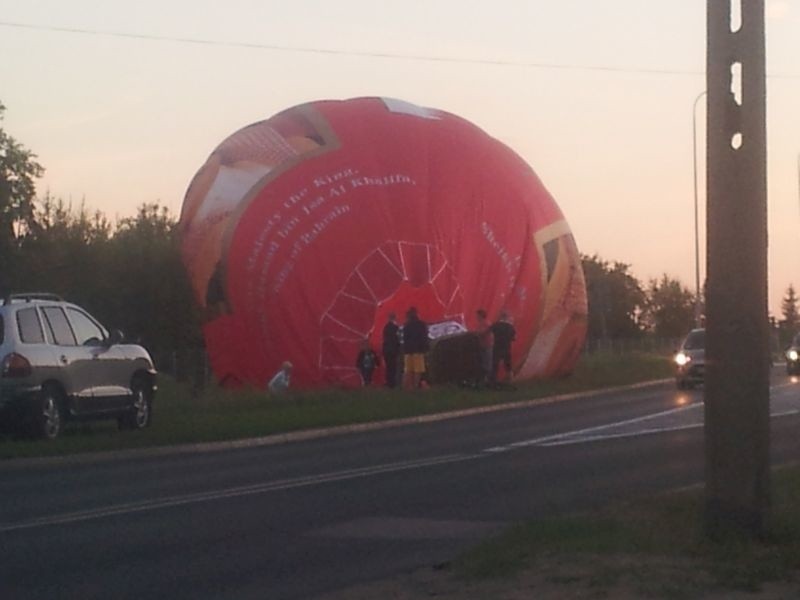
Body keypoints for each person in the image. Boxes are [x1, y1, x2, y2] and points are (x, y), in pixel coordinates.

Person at [402, 307, 429, 390]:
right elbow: (424, 337)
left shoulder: (406, 325)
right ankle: (415, 386)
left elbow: (405, 339)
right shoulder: (421, 324)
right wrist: (425, 348)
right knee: (418, 370)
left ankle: (408, 387)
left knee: (408, 370)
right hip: (418, 350)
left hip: (408, 351)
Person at [490, 310, 516, 385]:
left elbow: (489, 334)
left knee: (495, 364)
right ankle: (510, 381)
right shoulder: (510, 327)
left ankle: (493, 380)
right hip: (507, 348)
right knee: (508, 365)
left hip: (496, 347)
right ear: (506, 317)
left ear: (500, 317)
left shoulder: (495, 325)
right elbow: (514, 338)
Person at [475, 309, 494, 388]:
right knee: (483, 363)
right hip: (482, 346)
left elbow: (484, 332)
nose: (476, 317)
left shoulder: (486, 323)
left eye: (477, 315)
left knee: (487, 363)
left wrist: (478, 333)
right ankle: (484, 381)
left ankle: (488, 381)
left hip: (487, 346)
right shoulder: (481, 324)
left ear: (481, 316)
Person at [381, 312, 400, 388]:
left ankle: (388, 382)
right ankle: (392, 383)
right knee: (393, 367)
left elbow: (384, 339)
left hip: (386, 350)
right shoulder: (396, 328)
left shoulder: (385, 327)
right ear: (394, 318)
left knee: (388, 367)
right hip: (393, 350)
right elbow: (397, 340)